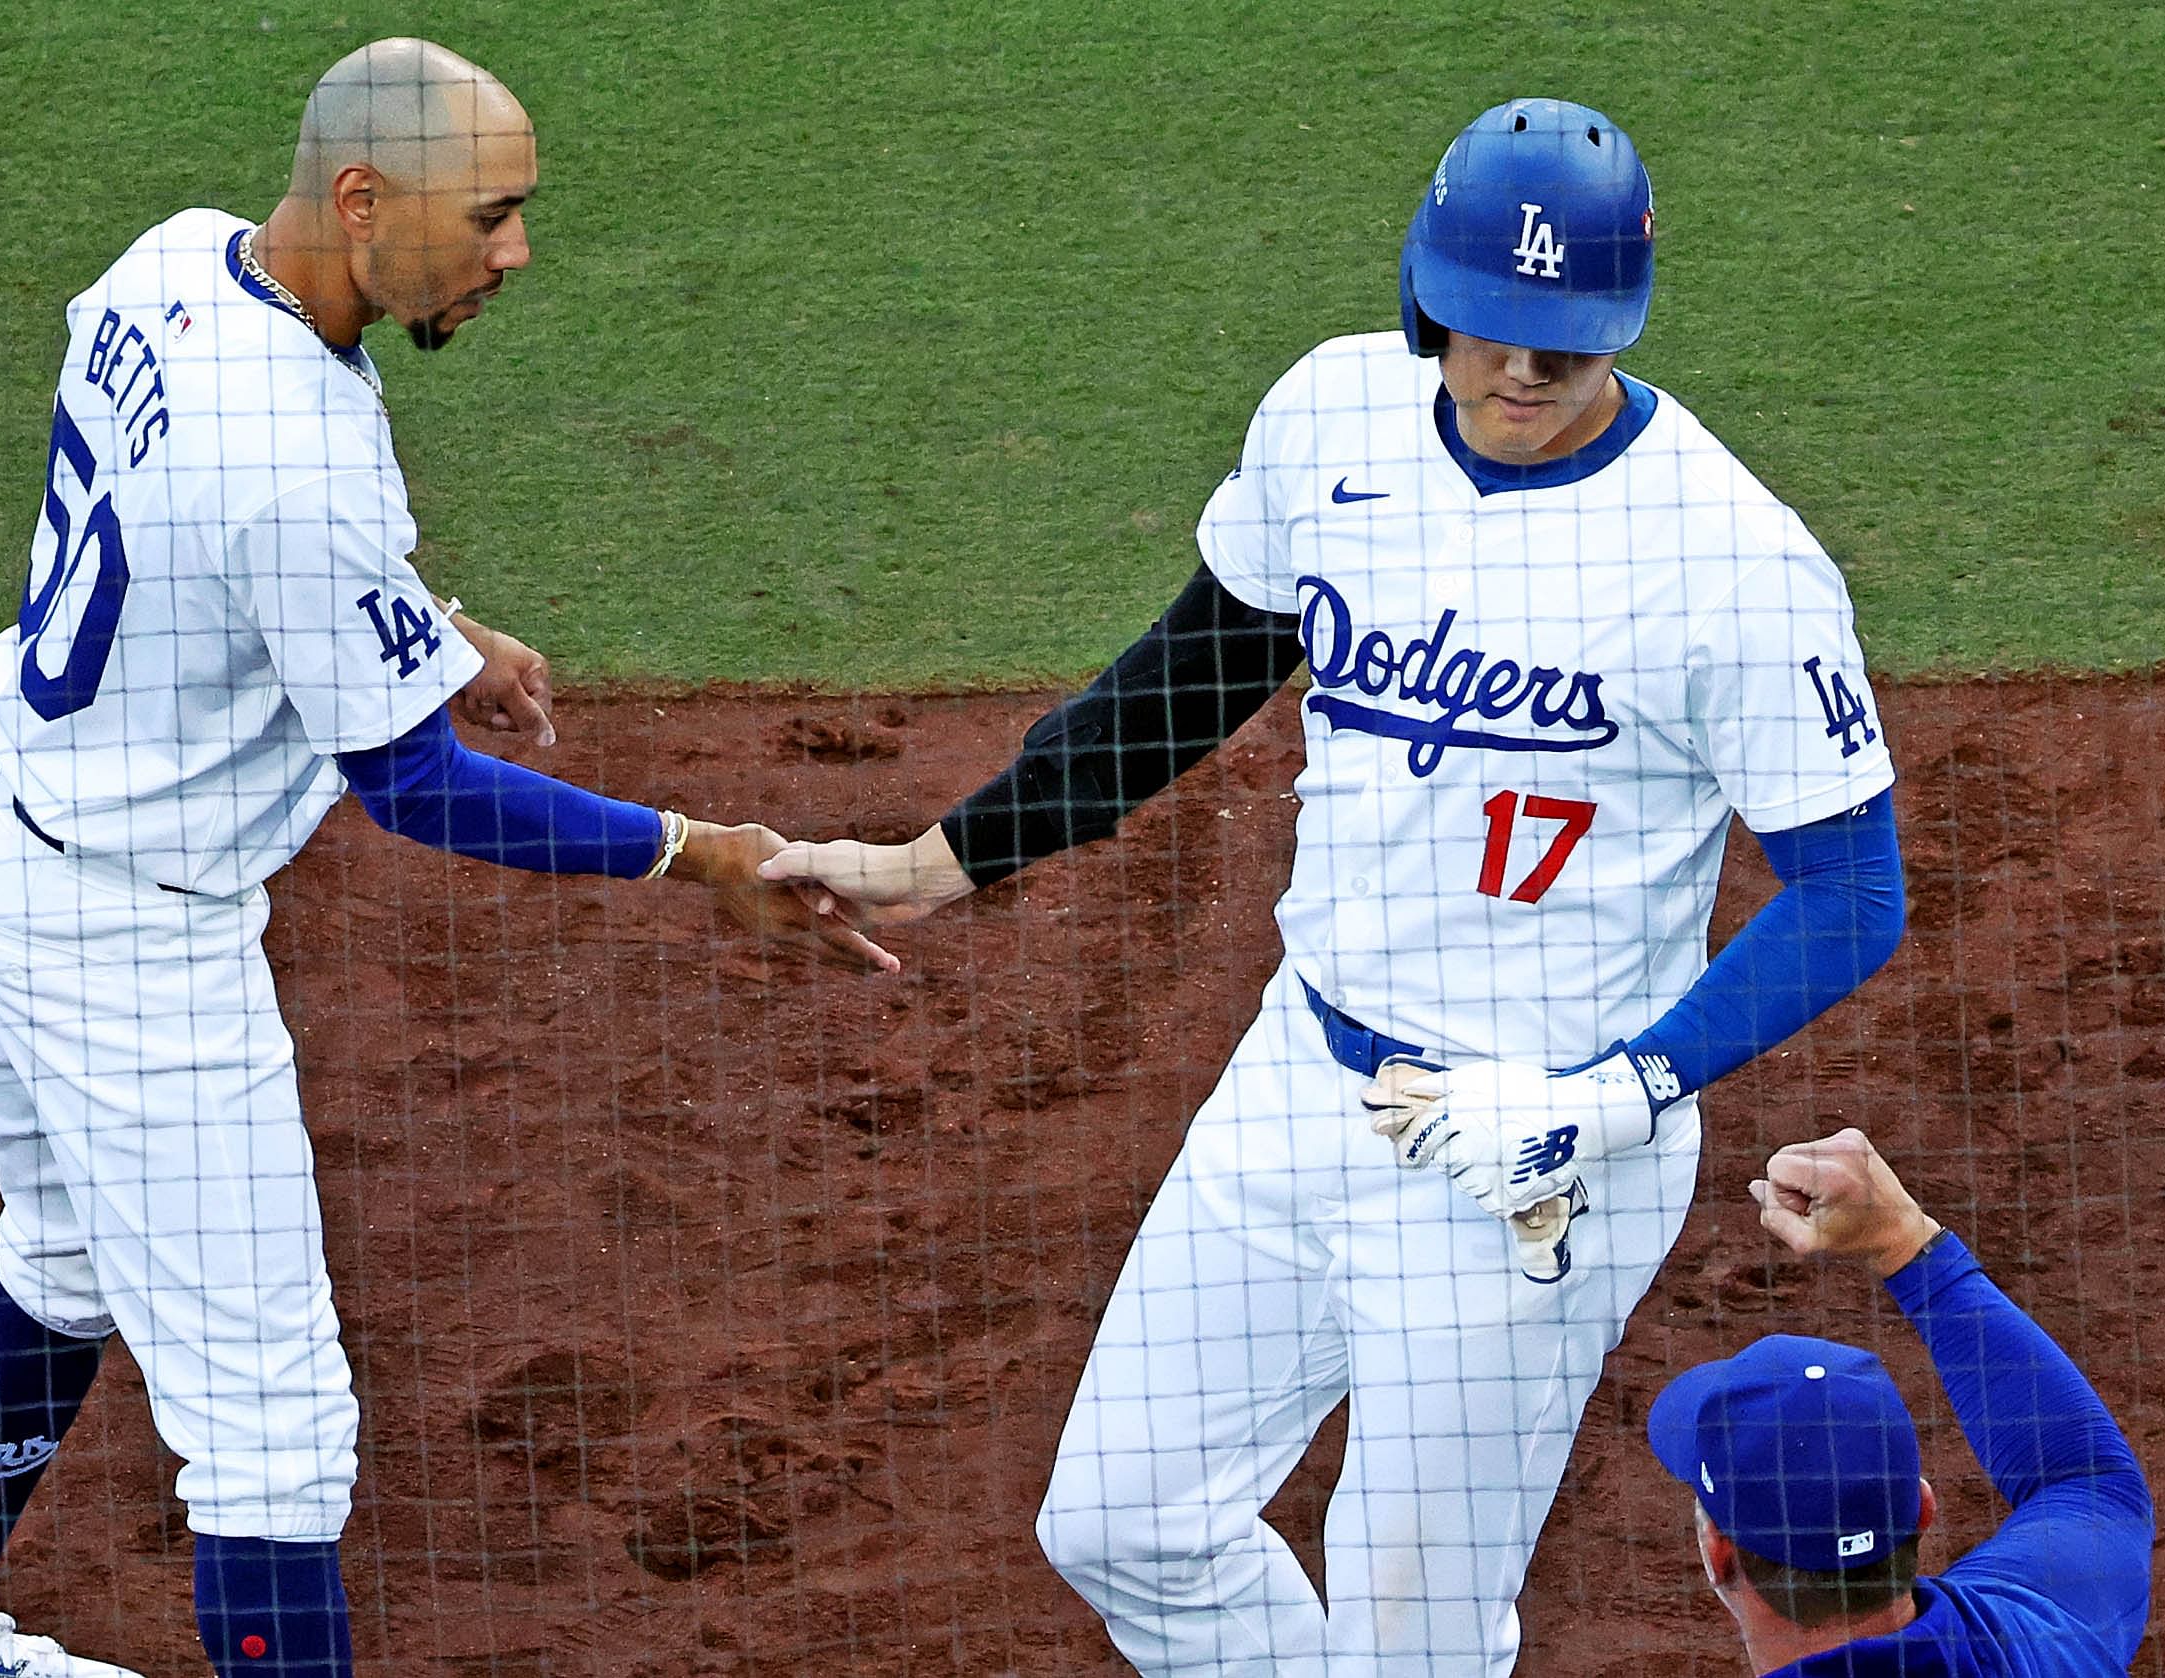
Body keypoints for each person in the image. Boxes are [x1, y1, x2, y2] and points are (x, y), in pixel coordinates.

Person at [759, 97, 1908, 1673]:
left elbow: (1855, 890)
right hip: (1300, 1085)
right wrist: (934, 860)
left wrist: (1620, 1095)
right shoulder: (1334, 421)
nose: (1517, 369)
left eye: (1561, 345)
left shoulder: (1732, 562)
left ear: (1621, 325)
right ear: (1423, 293)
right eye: (1485, 329)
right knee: (1119, 1519)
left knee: (1409, 1637)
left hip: (1532, 1152)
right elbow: (1195, 670)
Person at [0, 38, 890, 1678]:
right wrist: (699, 850)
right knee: (273, 1438)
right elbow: (417, 788)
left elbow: (208, 524)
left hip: (7, 825)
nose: (514, 254)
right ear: (365, 199)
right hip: (128, 942)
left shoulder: (171, 262)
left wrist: (429, 627)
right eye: (493, 216)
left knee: (60, 1265)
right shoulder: (292, 454)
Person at [1652, 1128, 2154, 1675]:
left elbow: (2090, 1485)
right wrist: (1906, 1242)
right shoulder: (2039, 1638)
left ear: (1718, 1552)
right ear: (1922, 1509)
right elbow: (2088, 1481)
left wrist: (1906, 1244)